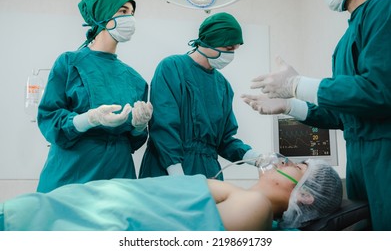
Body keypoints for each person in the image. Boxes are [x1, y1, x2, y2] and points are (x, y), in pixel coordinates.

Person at [242, 0, 391, 230]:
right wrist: (291, 105)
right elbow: (344, 114)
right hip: (360, 159)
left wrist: (297, 85)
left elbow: (381, 89)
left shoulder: (385, 5)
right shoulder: (345, 41)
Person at [0, 158, 342, 231]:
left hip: (68, 220)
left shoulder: (254, 207)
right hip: (72, 205)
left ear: (305, 196)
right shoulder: (242, 197)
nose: (281, 161)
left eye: (295, 166)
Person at [36, 0, 153, 193]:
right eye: (123, 11)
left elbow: (133, 142)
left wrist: (139, 126)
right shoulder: (70, 63)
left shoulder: (135, 80)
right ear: (103, 15)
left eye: (132, 14)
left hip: (119, 176)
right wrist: (89, 119)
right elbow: (49, 119)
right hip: (73, 173)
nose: (130, 19)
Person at [139, 12, 260, 180]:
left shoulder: (223, 86)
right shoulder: (172, 67)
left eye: (235, 50)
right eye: (228, 49)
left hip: (208, 170)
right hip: (168, 167)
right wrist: (175, 171)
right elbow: (164, 125)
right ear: (211, 41)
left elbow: (224, 140)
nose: (231, 55)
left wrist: (254, 157)